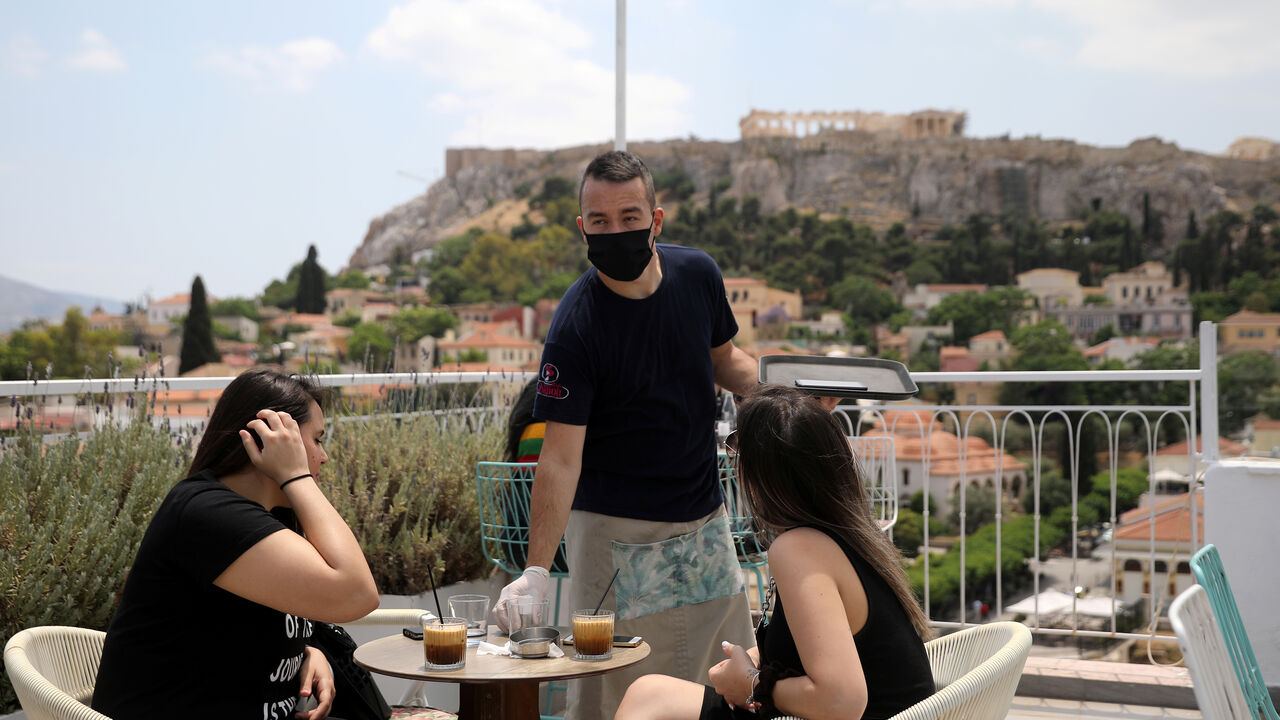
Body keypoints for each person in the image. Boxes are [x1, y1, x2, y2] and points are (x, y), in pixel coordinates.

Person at [493, 150, 760, 719]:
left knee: (730, 679)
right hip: (615, 537)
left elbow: (727, 361)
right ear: (582, 226)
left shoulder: (698, 276)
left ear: (656, 221)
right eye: (600, 221)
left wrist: (790, 395)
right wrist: (536, 572)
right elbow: (560, 459)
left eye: (629, 217)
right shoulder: (574, 327)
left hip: (703, 523)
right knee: (613, 693)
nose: (616, 231)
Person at [615, 386, 935, 720]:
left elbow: (843, 702)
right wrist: (752, 664)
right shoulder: (853, 535)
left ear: (760, 474)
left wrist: (752, 684)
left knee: (648, 697)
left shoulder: (798, 549)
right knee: (651, 694)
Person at [92, 368, 380, 720]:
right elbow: (357, 594)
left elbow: (230, 631)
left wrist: (307, 651)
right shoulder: (207, 514)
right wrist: (296, 476)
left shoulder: (259, 518)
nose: (324, 456)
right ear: (272, 438)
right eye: (317, 439)